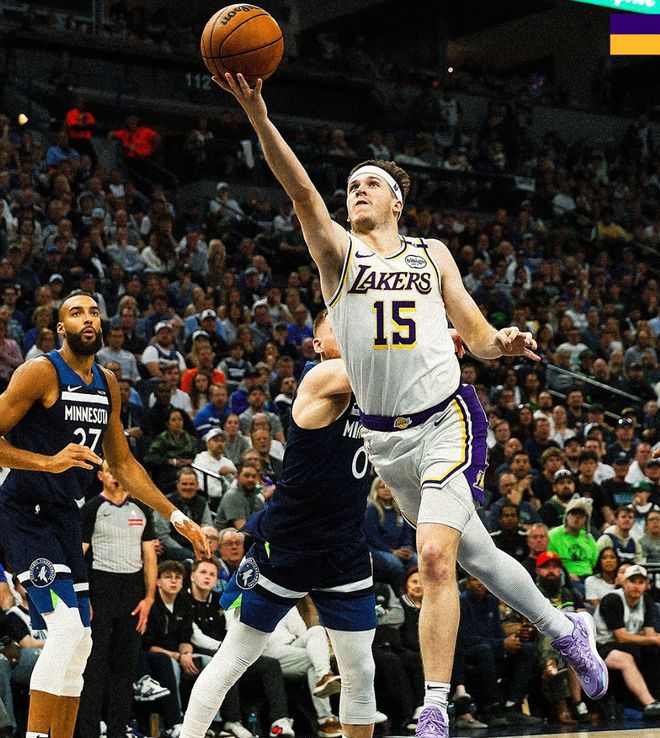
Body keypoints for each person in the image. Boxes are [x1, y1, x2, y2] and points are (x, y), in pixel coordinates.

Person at [212, 72, 608, 738]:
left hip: (448, 420)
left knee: (433, 558)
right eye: (350, 187)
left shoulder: (433, 254)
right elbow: (300, 191)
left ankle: (435, 706)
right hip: (386, 442)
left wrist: (505, 341)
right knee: (476, 555)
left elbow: (477, 337)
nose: (355, 192)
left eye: (368, 184)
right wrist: (257, 112)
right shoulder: (338, 257)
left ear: (396, 200)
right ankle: (565, 629)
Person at [0, 291, 207, 738]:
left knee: (82, 642)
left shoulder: (107, 382)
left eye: (94, 311)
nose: (88, 318)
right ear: (61, 328)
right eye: (77, 313)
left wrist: (176, 516)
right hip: (24, 512)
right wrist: (49, 462)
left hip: (65, 515)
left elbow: (124, 464)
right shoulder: (40, 372)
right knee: (65, 631)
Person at [180, 311, 379, 738]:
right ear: (318, 344)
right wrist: (432, 336)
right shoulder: (319, 378)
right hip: (287, 545)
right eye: (338, 326)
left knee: (361, 669)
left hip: (343, 547)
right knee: (236, 656)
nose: (351, 328)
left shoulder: (376, 388)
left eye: (354, 320)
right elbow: (385, 362)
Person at [78, 460, 158, 738]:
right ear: (101, 476)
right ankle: (88, 731)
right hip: (100, 587)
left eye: (119, 471)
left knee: (126, 666)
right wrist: (83, 596)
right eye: (110, 471)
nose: (115, 477)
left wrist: (149, 598)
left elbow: (150, 557)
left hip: (133, 591)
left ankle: (117, 731)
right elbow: (79, 555)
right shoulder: (92, 509)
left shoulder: (141, 509)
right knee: (94, 665)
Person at [594, 564, 660, 718]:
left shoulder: (646, 600)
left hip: (626, 645)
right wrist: (654, 639)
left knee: (654, 652)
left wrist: (655, 639)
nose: (636, 586)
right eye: (632, 581)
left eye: (641, 582)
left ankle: (656, 700)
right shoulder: (613, 599)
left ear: (646, 585)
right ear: (623, 583)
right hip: (600, 646)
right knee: (632, 651)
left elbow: (650, 633)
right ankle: (645, 703)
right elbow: (621, 637)